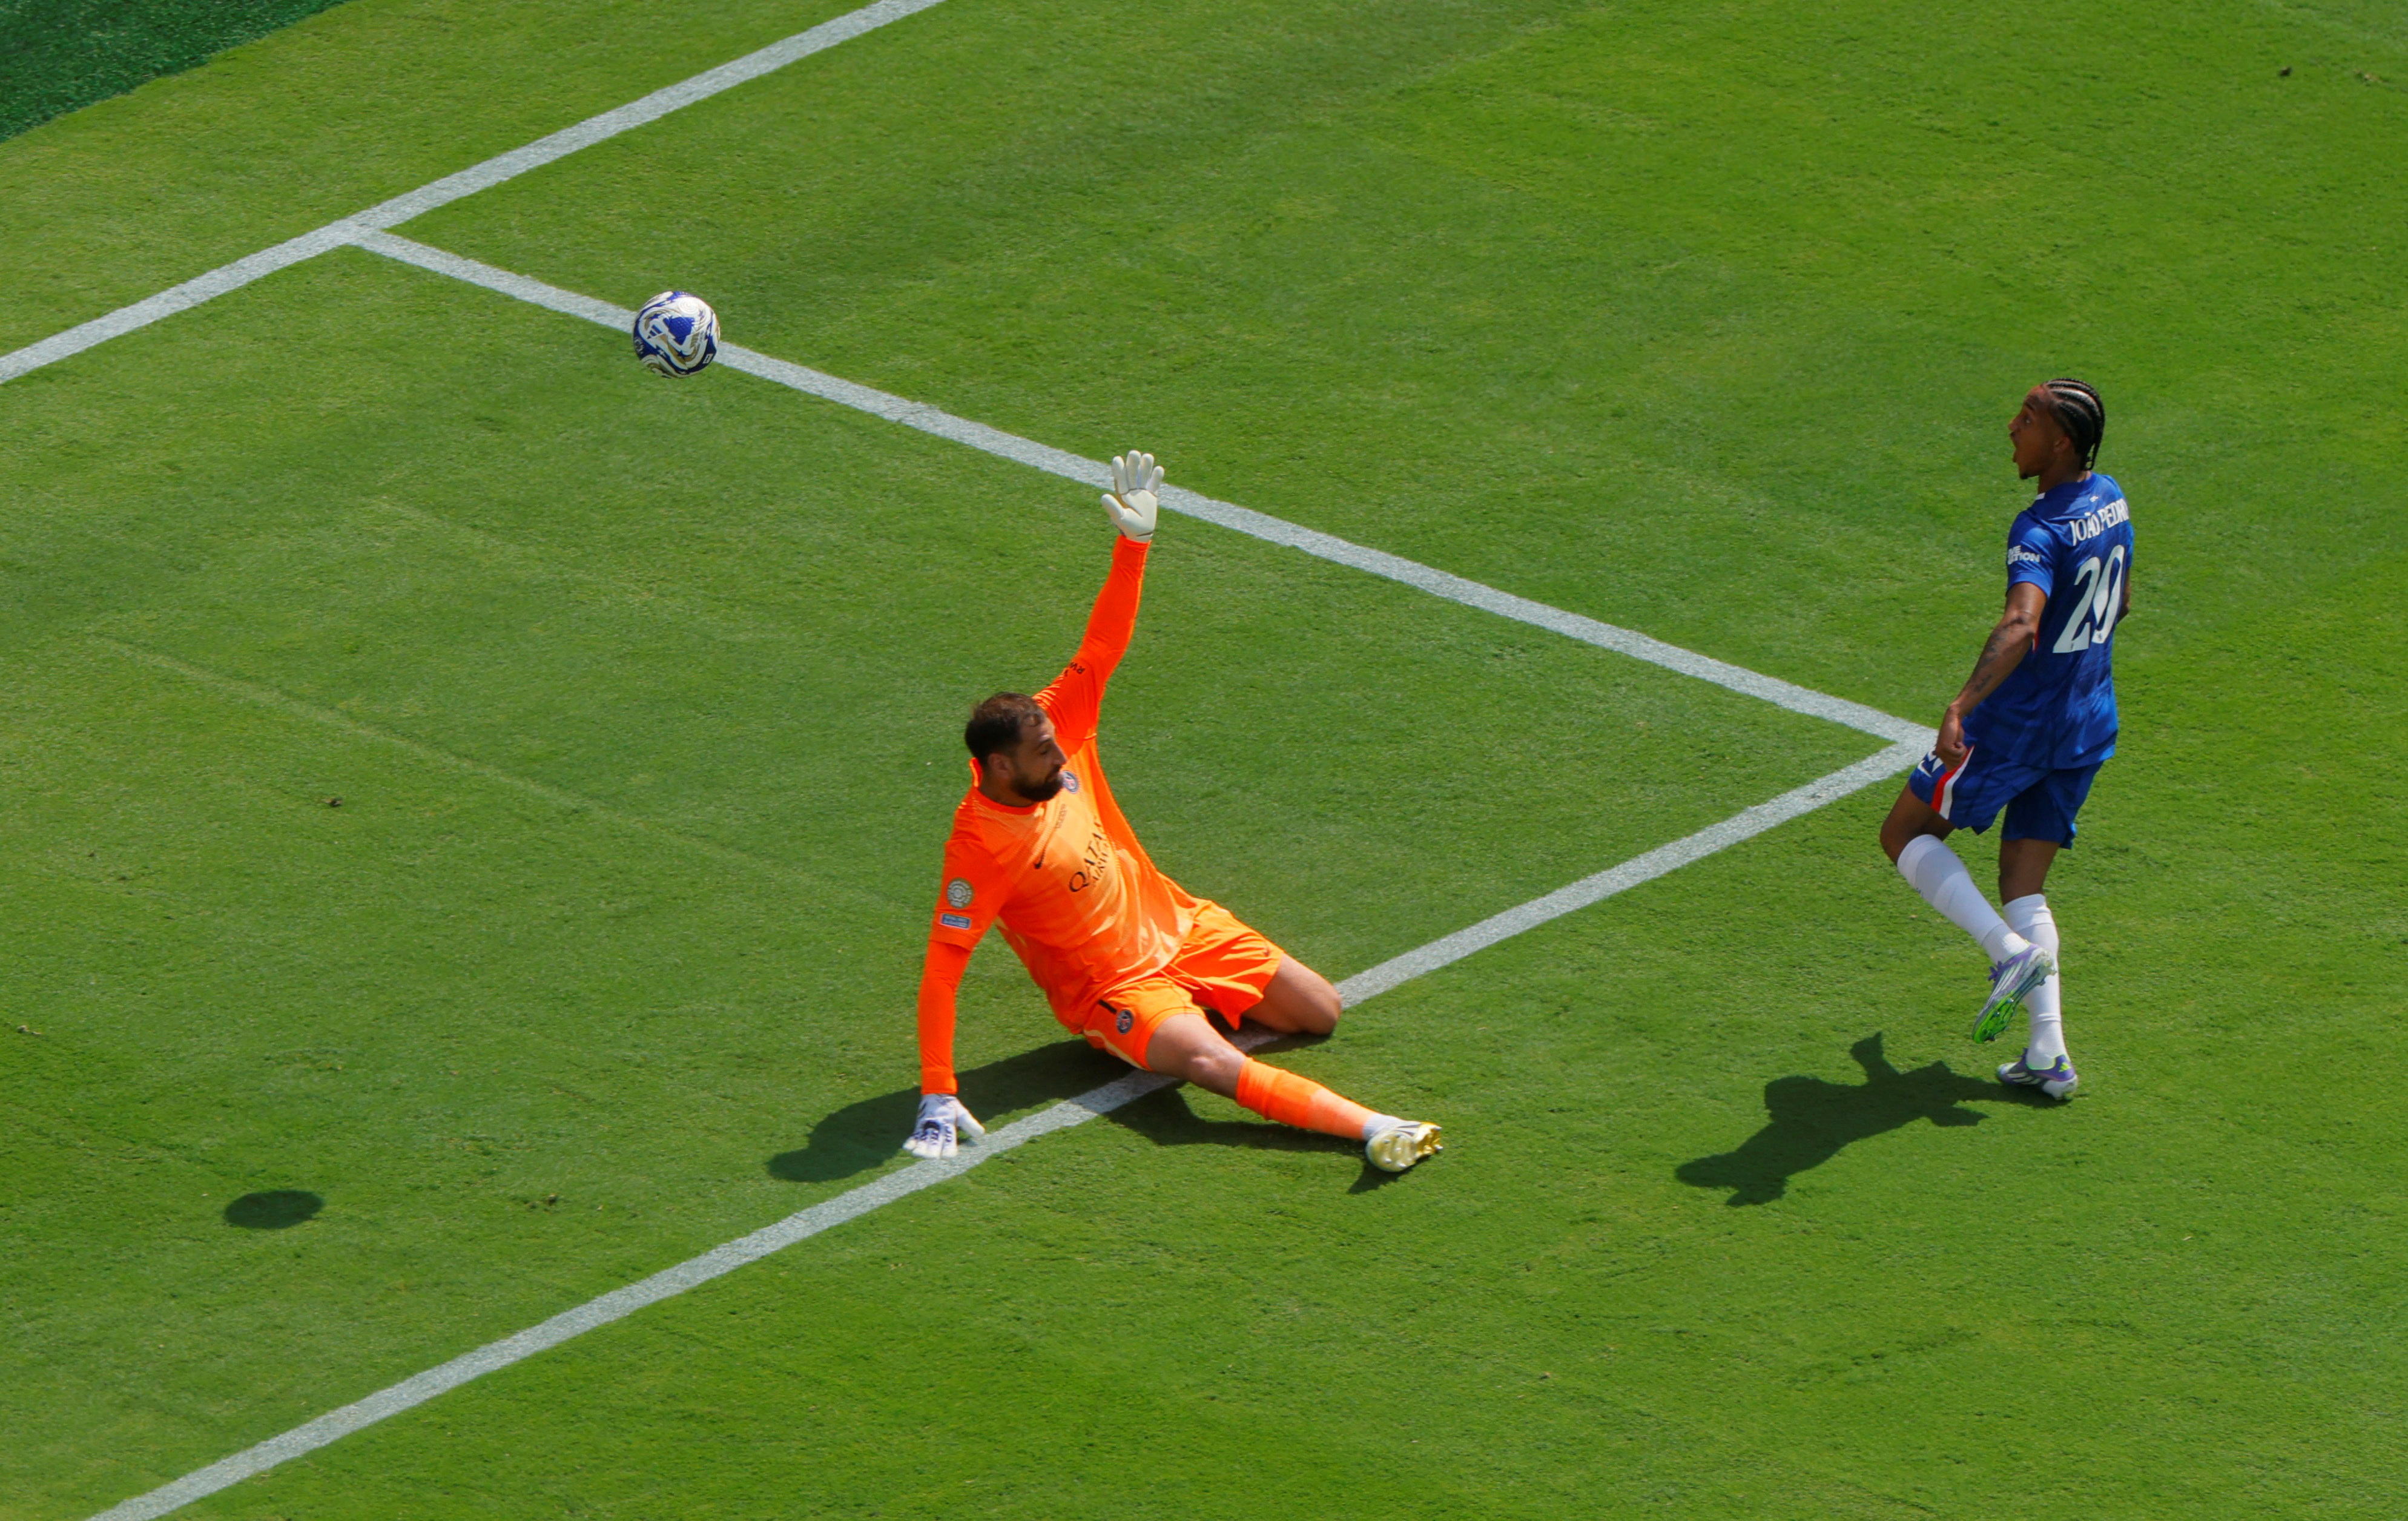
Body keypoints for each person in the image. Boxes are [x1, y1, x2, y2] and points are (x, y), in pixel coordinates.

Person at [903, 450, 1443, 1172]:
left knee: (1319, 1011)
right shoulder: (981, 845)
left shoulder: (1055, 724)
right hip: (1112, 988)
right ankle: (1375, 1129)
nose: (1062, 757)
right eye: (1043, 753)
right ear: (999, 767)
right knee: (1207, 1062)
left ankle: (1188, 1018)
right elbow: (943, 970)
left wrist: (1134, 546)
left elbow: (1102, 646)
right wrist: (938, 1088)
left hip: (1180, 926)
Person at [1879, 380, 2131, 1100]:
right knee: (2023, 881)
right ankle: (2048, 1054)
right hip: (2085, 719)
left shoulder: (2038, 529)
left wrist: (1961, 704)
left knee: (1902, 833)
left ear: (2059, 442)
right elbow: (2122, 602)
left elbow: (2021, 624)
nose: (2011, 428)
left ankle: (2004, 952)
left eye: (2027, 420)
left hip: (2017, 725)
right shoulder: (2111, 496)